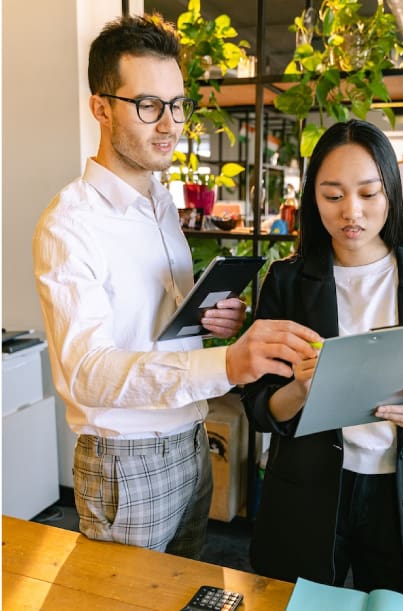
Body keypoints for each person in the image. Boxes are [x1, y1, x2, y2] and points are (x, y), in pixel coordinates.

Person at [32, 13, 321, 560]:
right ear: (100, 107)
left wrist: (211, 321)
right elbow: (88, 373)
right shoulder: (69, 223)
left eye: (177, 104)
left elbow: (157, 326)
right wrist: (227, 365)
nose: (169, 123)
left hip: (190, 438)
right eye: (148, 105)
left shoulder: (160, 203)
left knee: (181, 590)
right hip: (126, 458)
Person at [241, 119, 403, 610]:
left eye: (369, 193)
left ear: (390, 191)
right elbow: (259, 409)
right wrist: (301, 390)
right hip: (307, 491)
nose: (352, 212)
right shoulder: (286, 282)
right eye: (333, 195)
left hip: (399, 494)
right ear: (312, 198)